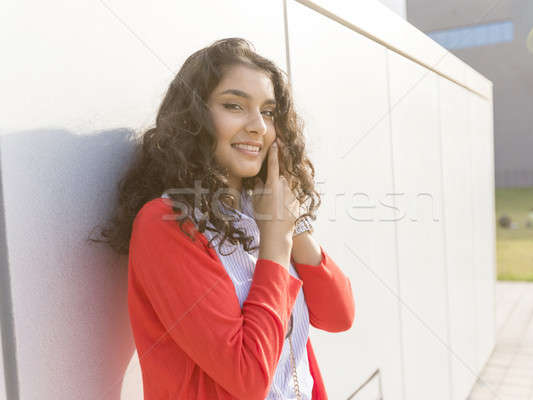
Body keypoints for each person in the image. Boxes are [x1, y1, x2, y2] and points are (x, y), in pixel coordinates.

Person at [89, 38, 355, 399]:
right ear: (195, 119)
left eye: (269, 111)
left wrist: (293, 225)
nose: (258, 126)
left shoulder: (258, 209)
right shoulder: (167, 223)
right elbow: (248, 377)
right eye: (234, 106)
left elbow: (339, 316)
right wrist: (276, 243)